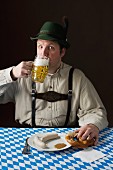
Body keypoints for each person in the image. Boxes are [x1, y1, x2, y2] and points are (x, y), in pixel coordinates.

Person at [0, 17, 108, 145]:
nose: (43, 53)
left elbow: (95, 111)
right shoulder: (21, 73)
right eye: (40, 46)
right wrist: (11, 74)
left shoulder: (76, 77)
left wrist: (92, 125)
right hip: (25, 138)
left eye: (50, 48)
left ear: (62, 52)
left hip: (64, 140)